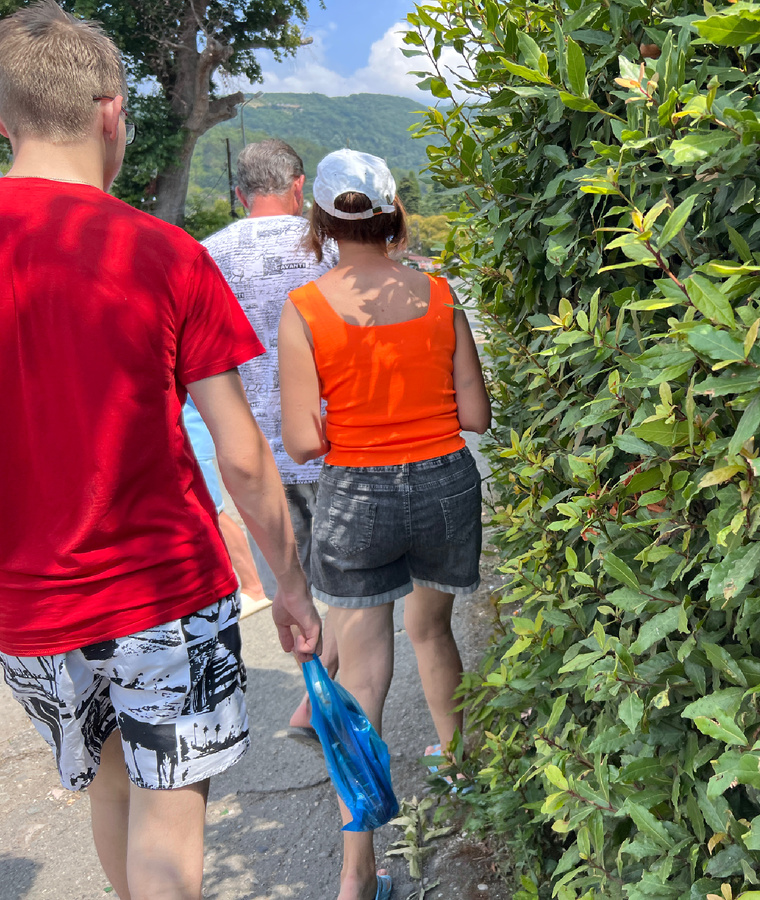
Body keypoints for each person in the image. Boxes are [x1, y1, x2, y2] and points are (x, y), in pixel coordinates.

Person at [0, 4, 322, 900]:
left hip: (25, 607)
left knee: (109, 782)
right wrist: (289, 589)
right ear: (112, 112)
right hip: (160, 593)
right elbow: (244, 458)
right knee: (170, 805)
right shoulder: (166, 253)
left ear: (4, 119)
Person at [278, 149, 490, 900]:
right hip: (443, 482)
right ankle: (465, 772)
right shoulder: (439, 295)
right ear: (394, 210)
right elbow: (476, 415)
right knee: (433, 632)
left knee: (362, 677)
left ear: (322, 221)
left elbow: (303, 442)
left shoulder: (304, 307)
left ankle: (356, 873)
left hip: (355, 495)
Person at [201, 139, 338, 738]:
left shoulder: (206, 256)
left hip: (251, 458)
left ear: (239, 194)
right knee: (355, 591)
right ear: (299, 186)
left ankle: (318, 692)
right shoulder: (329, 246)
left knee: (291, 587)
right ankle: (330, 703)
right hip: (331, 443)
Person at [182, 398, 272, 618]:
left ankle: (254, 586)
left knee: (213, 511)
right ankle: (253, 585)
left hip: (188, 438)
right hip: (188, 438)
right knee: (210, 512)